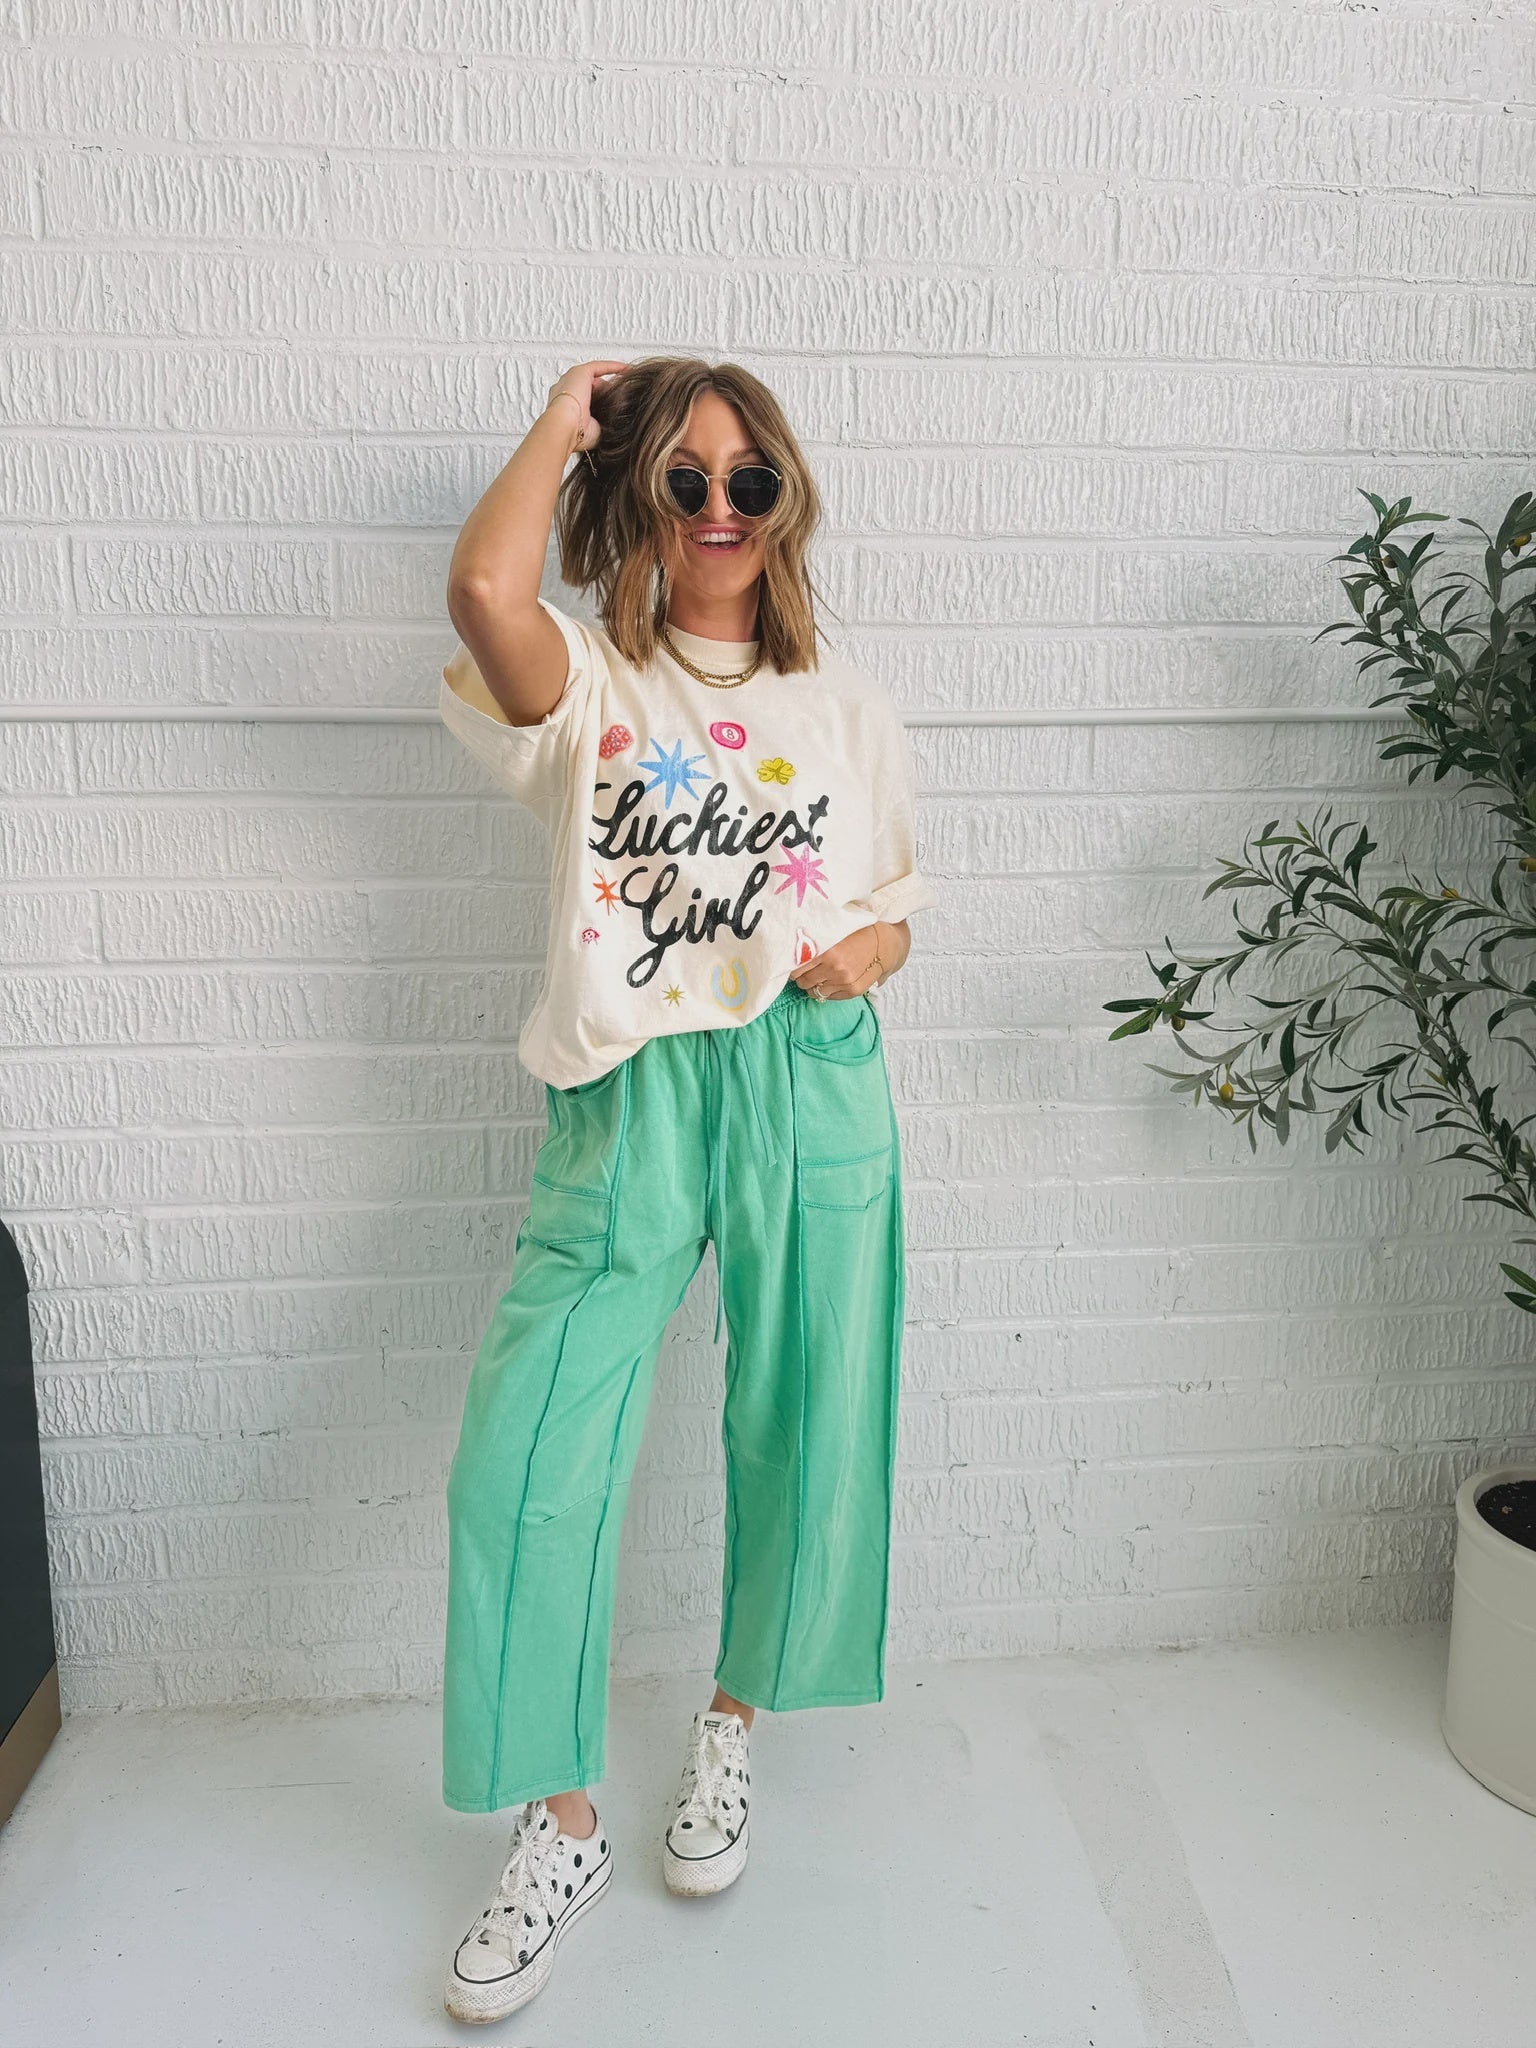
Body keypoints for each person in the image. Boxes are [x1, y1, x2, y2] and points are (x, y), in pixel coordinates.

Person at [435, 355, 938, 2023]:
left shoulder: (849, 708)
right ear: (639, 498)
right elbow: (483, 590)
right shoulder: (589, 682)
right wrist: (568, 415)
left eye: (749, 480)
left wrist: (868, 955)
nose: (721, 509)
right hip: (631, 1090)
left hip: (808, 1080)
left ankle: (731, 1727)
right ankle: (559, 1821)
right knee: (526, 1453)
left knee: (809, 1411)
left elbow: (890, 913)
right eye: (684, 479)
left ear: (787, 501)